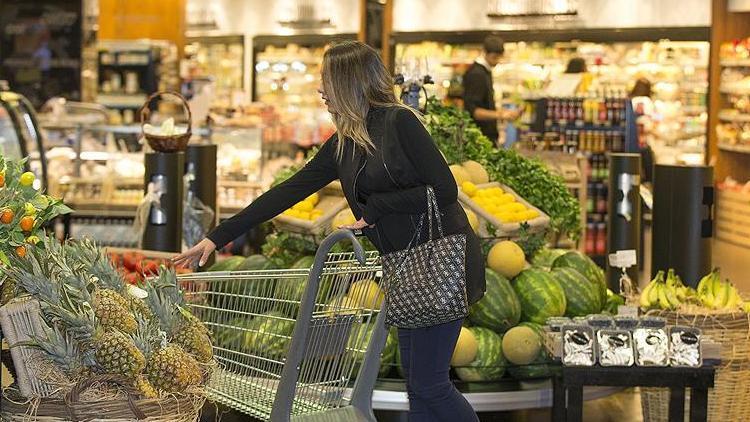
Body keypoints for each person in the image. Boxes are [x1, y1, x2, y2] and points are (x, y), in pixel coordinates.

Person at [174, 41, 485, 422]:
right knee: (419, 387)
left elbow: (445, 190)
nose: (321, 90)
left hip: (442, 262)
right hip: (405, 268)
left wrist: (377, 209)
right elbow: (285, 192)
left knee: (430, 386)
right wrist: (216, 237)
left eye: (327, 81)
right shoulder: (343, 145)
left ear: (349, 83)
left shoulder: (399, 122)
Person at [462, 35, 519, 143]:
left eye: (499, 57)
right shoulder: (477, 74)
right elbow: (474, 111)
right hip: (479, 138)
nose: (497, 61)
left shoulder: (484, 71)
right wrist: (501, 114)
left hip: (483, 136)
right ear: (485, 52)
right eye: (494, 57)